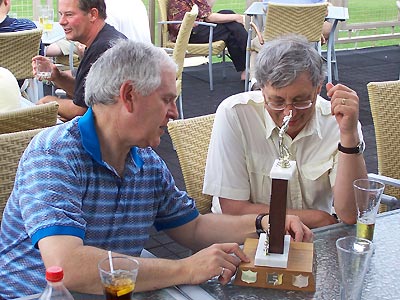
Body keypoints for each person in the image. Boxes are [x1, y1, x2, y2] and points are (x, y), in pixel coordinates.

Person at [0, 40, 312, 299]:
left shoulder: (146, 163)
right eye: (167, 99)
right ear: (129, 96)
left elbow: (194, 228)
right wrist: (187, 268)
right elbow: (67, 265)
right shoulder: (54, 154)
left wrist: (264, 222)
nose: (174, 113)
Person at [203, 34, 368, 229]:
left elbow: (351, 214)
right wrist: (317, 218)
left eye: (301, 100)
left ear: (318, 89)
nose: (289, 113)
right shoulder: (236, 114)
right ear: (262, 91)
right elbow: (233, 208)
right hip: (249, 234)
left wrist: (349, 137)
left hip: (314, 237)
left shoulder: (339, 121)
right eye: (277, 101)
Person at [32, 0, 126, 121]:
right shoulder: (104, 39)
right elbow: (86, 96)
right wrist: (57, 76)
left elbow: (82, 110)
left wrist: (47, 101)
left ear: (93, 14)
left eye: (69, 14)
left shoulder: (102, 49)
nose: (61, 21)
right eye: (61, 14)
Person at [168, 0, 248, 80]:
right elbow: (209, 17)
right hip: (187, 33)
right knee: (231, 27)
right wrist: (237, 17)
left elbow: (206, 10)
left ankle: (246, 68)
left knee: (228, 14)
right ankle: (249, 64)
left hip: (193, 27)